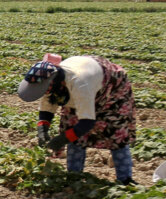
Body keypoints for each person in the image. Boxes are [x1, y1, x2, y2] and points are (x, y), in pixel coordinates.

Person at [17, 53, 137, 184]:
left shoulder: (80, 84)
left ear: (54, 83)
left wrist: (62, 139)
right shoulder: (52, 82)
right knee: (72, 130)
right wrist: (43, 128)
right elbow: (48, 103)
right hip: (85, 74)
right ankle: (74, 176)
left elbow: (87, 122)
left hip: (111, 88)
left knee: (115, 132)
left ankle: (125, 180)